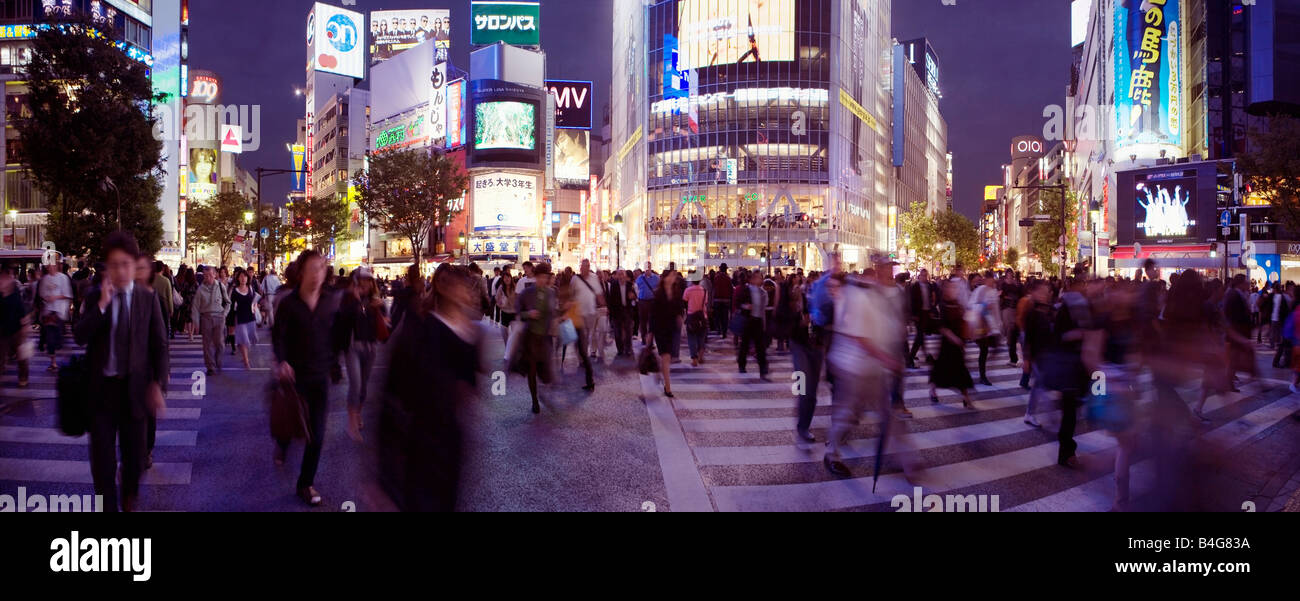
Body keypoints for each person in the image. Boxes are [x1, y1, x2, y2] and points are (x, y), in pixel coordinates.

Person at [73, 232, 169, 512]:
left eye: (126, 264)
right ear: (107, 266)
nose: (122, 271)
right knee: (102, 464)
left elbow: (159, 344)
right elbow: (79, 335)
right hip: (101, 393)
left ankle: (129, 494)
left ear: (134, 264)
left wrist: (158, 384)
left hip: (135, 392)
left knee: (135, 460)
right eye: (115, 264)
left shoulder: (146, 298)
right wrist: (102, 305)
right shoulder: (94, 297)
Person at [380, 263, 481, 512]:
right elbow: (392, 395)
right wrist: (384, 475)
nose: (470, 293)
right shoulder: (420, 331)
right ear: (446, 289)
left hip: (450, 439)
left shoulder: (469, 335)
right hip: (420, 437)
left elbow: (468, 386)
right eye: (465, 286)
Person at [272, 250, 346, 506]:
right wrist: (281, 361)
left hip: (319, 376)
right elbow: (278, 336)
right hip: (295, 376)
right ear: (302, 272)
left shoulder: (330, 300)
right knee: (290, 424)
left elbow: (337, 335)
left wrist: (335, 363)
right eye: (313, 268)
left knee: (317, 433)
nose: (318, 273)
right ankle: (282, 443)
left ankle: (305, 483)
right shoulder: (289, 304)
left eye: (322, 268)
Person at [824, 259, 906, 478]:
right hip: (852, 366)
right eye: (887, 269)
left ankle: (905, 460)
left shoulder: (879, 294)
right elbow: (859, 336)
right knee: (846, 414)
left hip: (872, 366)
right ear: (876, 272)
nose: (891, 273)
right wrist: (888, 359)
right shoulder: (857, 295)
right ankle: (831, 454)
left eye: (892, 269)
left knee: (885, 413)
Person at [339, 267, 386, 442]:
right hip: (353, 346)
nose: (365, 283)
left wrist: (380, 309)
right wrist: (355, 301)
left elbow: (386, 321)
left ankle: (358, 413)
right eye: (363, 280)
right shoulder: (348, 298)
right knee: (356, 384)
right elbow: (342, 319)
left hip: (370, 346)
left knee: (364, 385)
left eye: (368, 280)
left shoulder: (374, 300)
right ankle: (351, 422)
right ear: (357, 281)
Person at [515, 263, 556, 413]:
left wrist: (555, 323)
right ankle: (534, 401)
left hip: (545, 337)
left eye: (545, 277)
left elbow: (553, 312)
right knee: (531, 370)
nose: (542, 280)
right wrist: (528, 314)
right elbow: (518, 310)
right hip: (530, 336)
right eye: (540, 277)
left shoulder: (551, 293)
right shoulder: (527, 292)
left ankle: (542, 388)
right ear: (535, 277)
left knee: (545, 374)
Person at [928, 278, 974, 409]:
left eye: (955, 288)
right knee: (941, 370)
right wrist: (953, 338)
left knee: (961, 371)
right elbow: (942, 327)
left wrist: (967, 333)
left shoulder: (958, 305)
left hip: (958, 343)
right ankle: (932, 390)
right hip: (947, 344)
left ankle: (966, 397)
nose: (954, 290)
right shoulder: (942, 305)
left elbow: (963, 321)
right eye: (951, 288)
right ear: (945, 290)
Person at [569, 259, 602, 390]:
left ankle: (584, 357)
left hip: (591, 312)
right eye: (584, 266)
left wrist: (604, 305)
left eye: (588, 266)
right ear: (580, 267)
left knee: (587, 336)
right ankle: (583, 357)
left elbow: (599, 294)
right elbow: (571, 295)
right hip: (578, 314)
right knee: (581, 339)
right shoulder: (575, 279)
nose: (586, 268)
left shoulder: (594, 278)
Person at [651, 270, 685, 397]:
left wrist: (680, 317)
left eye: (674, 276)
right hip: (660, 329)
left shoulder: (676, 292)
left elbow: (680, 308)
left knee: (667, 358)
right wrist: (650, 333)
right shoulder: (658, 293)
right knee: (665, 357)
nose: (673, 278)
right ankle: (668, 387)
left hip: (671, 329)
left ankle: (662, 375)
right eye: (670, 276)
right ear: (664, 278)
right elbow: (653, 314)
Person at [191, 265, 229, 375]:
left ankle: (218, 359)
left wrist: (224, 314)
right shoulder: (200, 289)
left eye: (210, 275)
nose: (207, 278)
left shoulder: (221, 287)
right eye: (205, 276)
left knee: (219, 343)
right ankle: (210, 367)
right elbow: (195, 307)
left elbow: (228, 302)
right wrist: (196, 322)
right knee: (206, 344)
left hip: (219, 317)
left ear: (214, 275)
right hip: (206, 317)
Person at [968, 270, 1002, 387]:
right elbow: (972, 305)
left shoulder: (993, 291)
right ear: (986, 279)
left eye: (993, 279)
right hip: (981, 326)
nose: (992, 281)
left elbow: (996, 310)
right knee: (984, 350)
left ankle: (983, 373)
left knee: (993, 348)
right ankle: (982, 376)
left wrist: (998, 324)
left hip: (992, 327)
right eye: (990, 279)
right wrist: (985, 306)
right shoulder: (980, 290)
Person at [735, 270, 770, 380]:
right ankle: (742, 364)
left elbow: (765, 306)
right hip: (747, 320)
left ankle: (763, 369)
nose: (760, 280)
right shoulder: (745, 289)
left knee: (760, 346)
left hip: (758, 320)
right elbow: (738, 303)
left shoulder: (763, 292)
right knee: (744, 344)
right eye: (758, 277)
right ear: (753, 279)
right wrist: (746, 306)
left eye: (761, 277)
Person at [38, 262, 73, 373]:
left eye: (53, 266)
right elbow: (41, 293)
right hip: (48, 311)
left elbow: (68, 294)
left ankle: (56, 354)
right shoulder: (45, 279)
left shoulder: (63, 278)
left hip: (59, 311)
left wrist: (56, 297)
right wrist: (47, 298)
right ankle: (53, 362)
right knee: (50, 337)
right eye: (49, 266)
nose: (50, 268)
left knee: (57, 338)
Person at [0, 267, 30, 388]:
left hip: (17, 328)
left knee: (21, 356)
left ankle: (23, 378)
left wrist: (25, 325)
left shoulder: (15, 290)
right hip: (2, 329)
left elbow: (21, 308)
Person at [229, 270, 260, 369]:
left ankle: (242, 350)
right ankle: (246, 360)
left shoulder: (250, 289)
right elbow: (231, 305)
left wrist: (256, 305)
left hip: (251, 317)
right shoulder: (235, 291)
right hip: (240, 317)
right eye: (241, 277)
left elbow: (255, 300)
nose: (243, 279)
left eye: (245, 277)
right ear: (238, 278)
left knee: (251, 338)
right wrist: (231, 319)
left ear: (248, 278)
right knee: (244, 339)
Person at [907, 268, 938, 368]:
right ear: (919, 276)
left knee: (921, 336)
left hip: (926, 313)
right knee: (920, 336)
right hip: (918, 315)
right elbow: (911, 301)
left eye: (926, 275)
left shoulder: (929, 285)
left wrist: (932, 310)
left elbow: (932, 299)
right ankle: (910, 358)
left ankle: (926, 355)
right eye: (923, 275)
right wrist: (914, 315)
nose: (924, 277)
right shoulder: (915, 286)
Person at [683, 271, 709, 367]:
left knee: (691, 337)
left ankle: (694, 358)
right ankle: (701, 356)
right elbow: (705, 303)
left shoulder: (688, 290)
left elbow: (684, 302)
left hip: (691, 316)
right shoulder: (704, 290)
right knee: (701, 337)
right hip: (702, 316)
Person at [636, 262, 659, 345]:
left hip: (652, 301)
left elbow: (659, 288)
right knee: (643, 321)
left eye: (649, 267)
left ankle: (650, 339)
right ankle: (644, 338)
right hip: (642, 301)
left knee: (651, 321)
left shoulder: (656, 278)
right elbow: (636, 287)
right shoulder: (640, 278)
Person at [152, 261, 174, 339]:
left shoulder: (150, 280)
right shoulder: (166, 280)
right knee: (164, 324)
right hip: (164, 306)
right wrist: (171, 309)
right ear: (162, 269)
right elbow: (169, 296)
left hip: (152, 305)